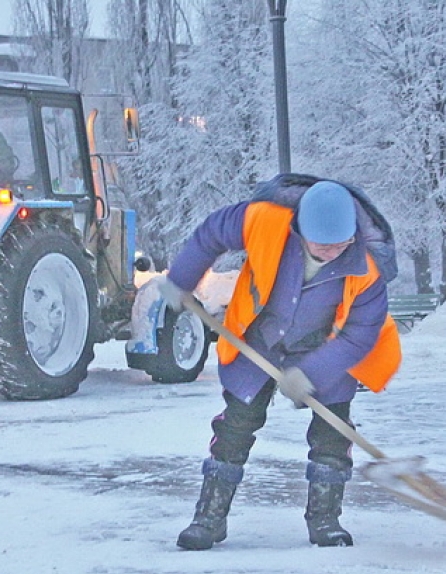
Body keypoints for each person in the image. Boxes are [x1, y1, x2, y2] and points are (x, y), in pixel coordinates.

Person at [159, 174, 402, 550]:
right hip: (260, 341)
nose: (331, 253)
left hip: (327, 351)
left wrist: (310, 373)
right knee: (235, 427)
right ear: (300, 230)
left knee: (333, 433)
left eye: (340, 245)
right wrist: (182, 279)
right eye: (321, 245)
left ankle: (325, 521)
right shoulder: (265, 220)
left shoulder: (367, 267)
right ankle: (208, 519)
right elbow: (211, 234)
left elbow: (359, 336)